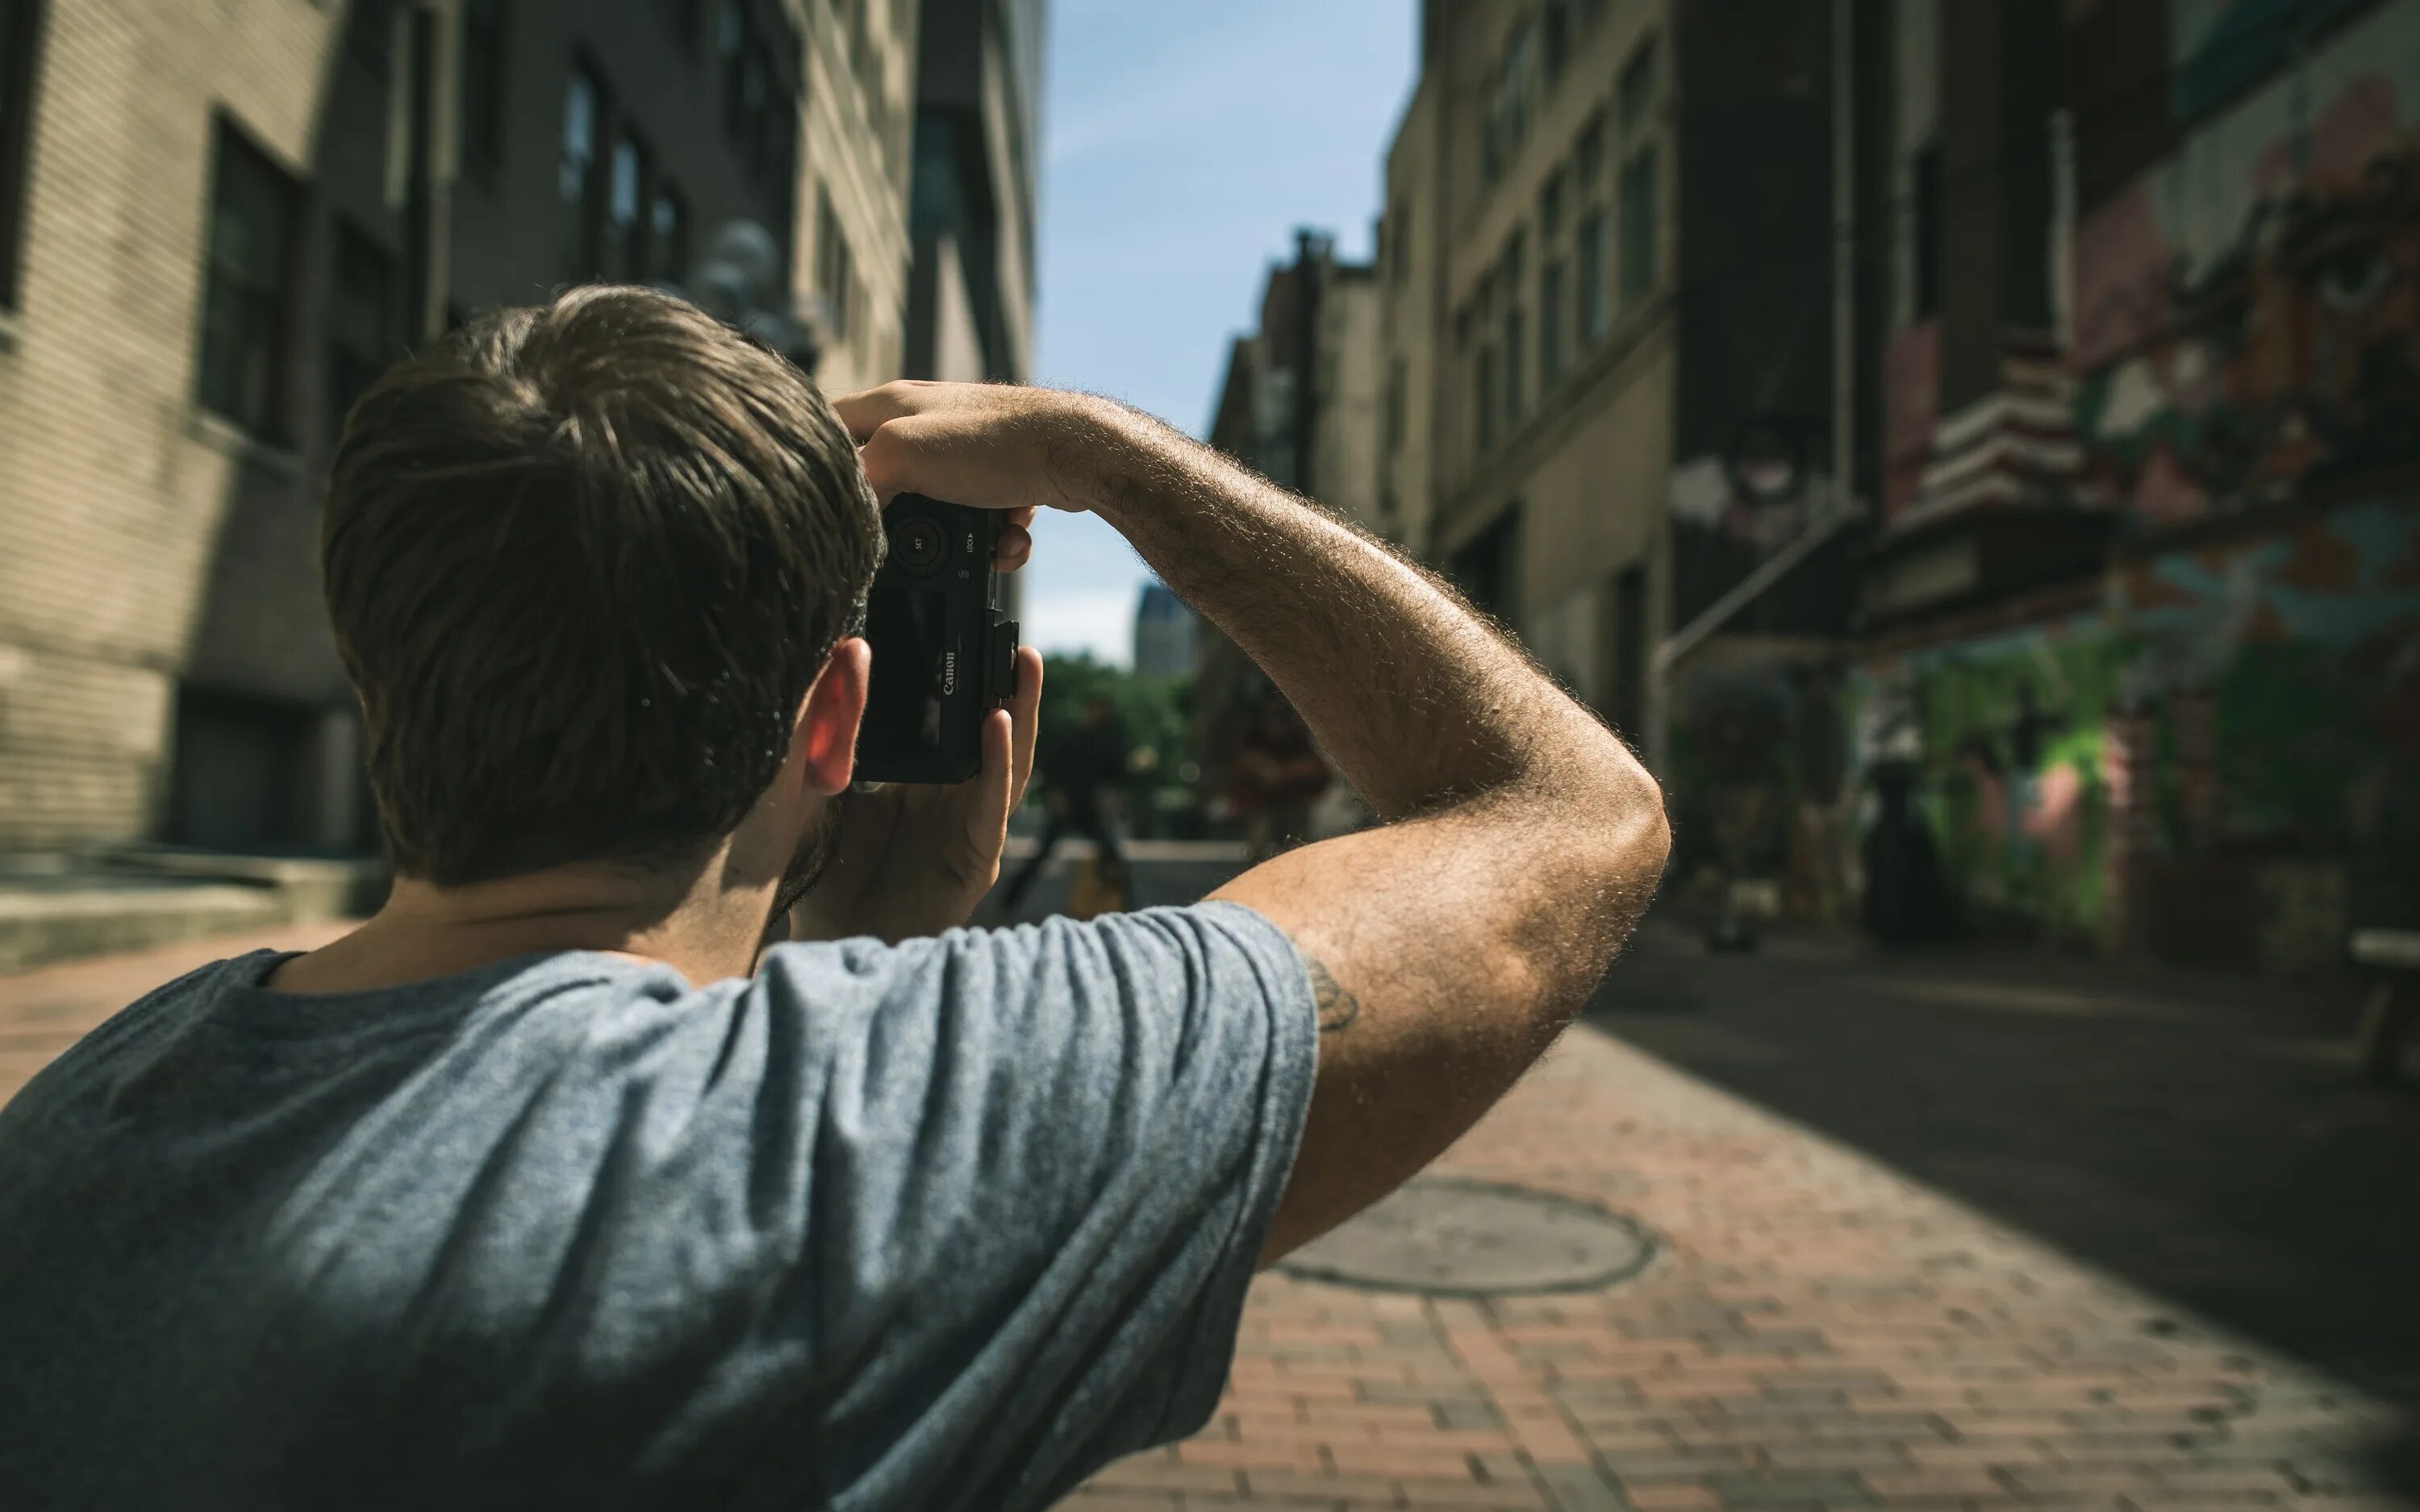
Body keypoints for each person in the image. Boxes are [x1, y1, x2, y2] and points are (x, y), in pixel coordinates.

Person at [0, 287, 1670, 1511]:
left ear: (386, 671)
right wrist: (1116, 457)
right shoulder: (882, 1129)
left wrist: (848, 959)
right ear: (832, 716)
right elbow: (1570, 818)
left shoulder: (90, 1105)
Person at [997, 692, 1130, 914]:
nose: (1094, 715)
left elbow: (1115, 777)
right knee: (1041, 855)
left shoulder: (1109, 742)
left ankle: (1126, 905)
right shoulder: (1073, 738)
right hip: (1067, 807)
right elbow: (1052, 769)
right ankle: (1008, 901)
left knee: (1113, 856)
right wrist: (1055, 795)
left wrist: (1110, 801)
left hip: (1092, 811)